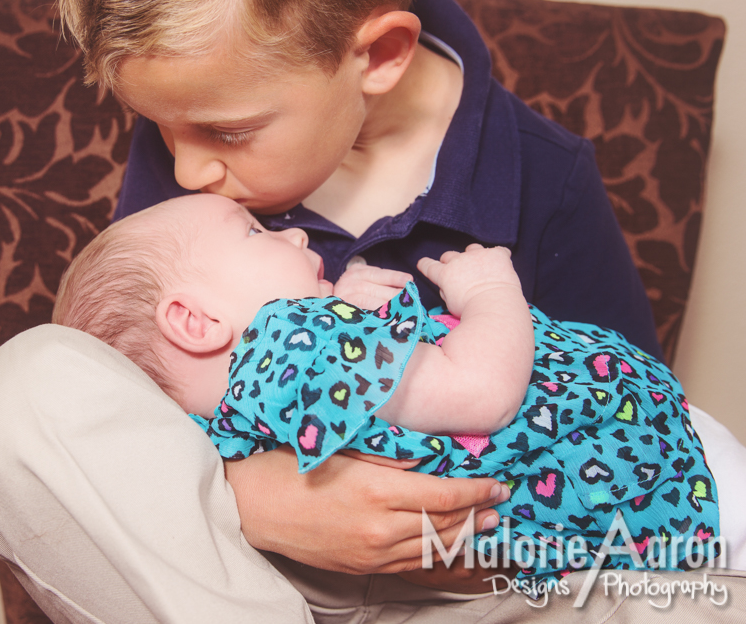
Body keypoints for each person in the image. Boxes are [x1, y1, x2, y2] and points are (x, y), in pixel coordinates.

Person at [59, 0, 666, 586]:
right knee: (5, 408)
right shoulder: (199, 114)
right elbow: (121, 397)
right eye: (155, 125)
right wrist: (248, 500)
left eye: (230, 133)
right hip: (265, 579)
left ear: (378, 55)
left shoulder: (548, 177)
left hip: (500, 577)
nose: (186, 171)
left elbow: (634, 425)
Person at [53, 192, 721, 586]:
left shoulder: (222, 427)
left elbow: (353, 414)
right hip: (650, 460)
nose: (290, 230)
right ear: (194, 322)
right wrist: (491, 293)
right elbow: (483, 393)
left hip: (608, 508)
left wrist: (344, 310)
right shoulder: (295, 342)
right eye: (254, 231)